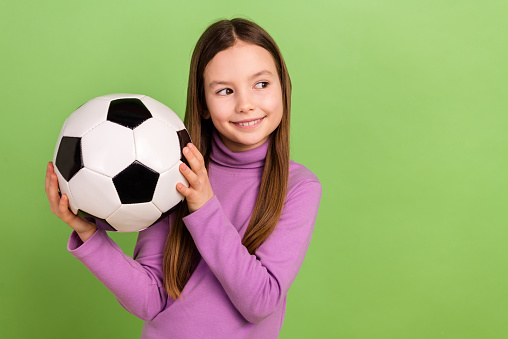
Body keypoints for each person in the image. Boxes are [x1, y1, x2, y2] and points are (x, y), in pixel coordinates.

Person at [45, 18, 322, 338]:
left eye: (261, 84)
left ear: (283, 88)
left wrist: (204, 207)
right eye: (225, 90)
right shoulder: (171, 169)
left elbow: (259, 302)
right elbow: (150, 300)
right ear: (203, 103)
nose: (246, 105)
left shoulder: (298, 187)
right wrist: (87, 233)